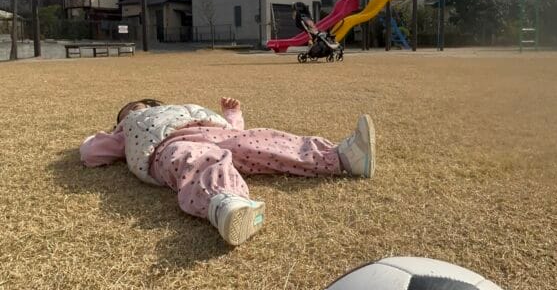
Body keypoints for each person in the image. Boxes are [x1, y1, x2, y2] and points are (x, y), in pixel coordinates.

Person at [80, 97, 376, 247]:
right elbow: (92, 153)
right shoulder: (127, 129)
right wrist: (98, 137)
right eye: (130, 109)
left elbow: (236, 131)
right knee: (199, 160)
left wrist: (232, 114)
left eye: (144, 104)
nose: (139, 107)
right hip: (169, 147)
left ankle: (343, 157)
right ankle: (225, 204)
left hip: (215, 131)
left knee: (267, 140)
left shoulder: (182, 108)